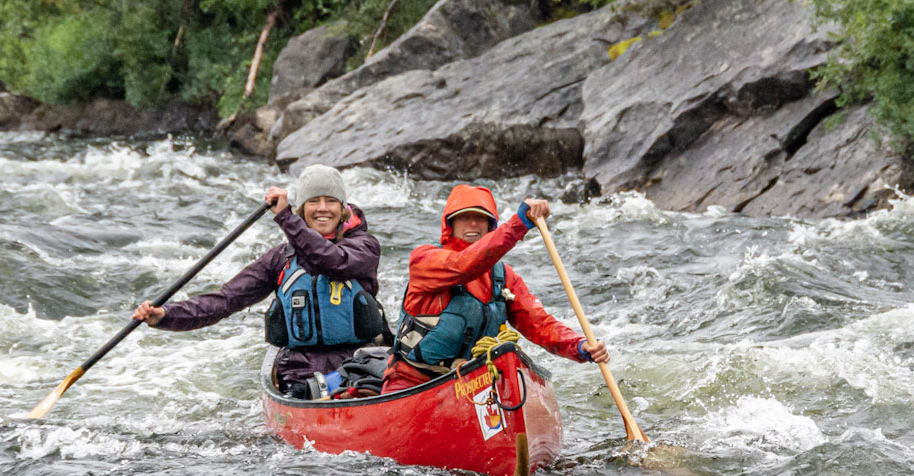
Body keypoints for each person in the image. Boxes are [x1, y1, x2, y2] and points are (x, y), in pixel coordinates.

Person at [132, 165, 385, 398]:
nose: (322, 208)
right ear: (302, 210)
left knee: (371, 383)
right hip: (299, 370)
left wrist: (286, 218)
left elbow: (331, 262)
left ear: (342, 209)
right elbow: (227, 300)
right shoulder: (280, 259)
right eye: (313, 201)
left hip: (358, 365)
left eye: (331, 201)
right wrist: (166, 315)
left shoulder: (363, 247)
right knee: (301, 392)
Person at [381, 184, 609, 394]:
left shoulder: (504, 277)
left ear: (491, 226)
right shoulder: (424, 260)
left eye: (481, 218)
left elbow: (538, 323)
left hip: (472, 385)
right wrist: (519, 224)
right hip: (412, 382)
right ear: (450, 224)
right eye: (465, 217)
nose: (473, 223)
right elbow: (464, 265)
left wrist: (578, 346)